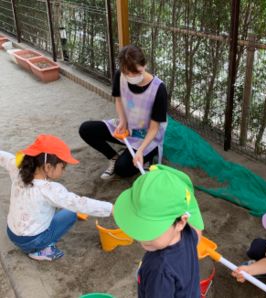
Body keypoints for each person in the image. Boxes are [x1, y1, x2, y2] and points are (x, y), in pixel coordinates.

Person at [0, 134, 113, 261]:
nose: (63, 171)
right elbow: (80, 203)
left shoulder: (17, 169)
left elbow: (4, 157)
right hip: (33, 242)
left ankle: (37, 246)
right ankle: (40, 251)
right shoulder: (50, 189)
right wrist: (111, 208)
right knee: (71, 212)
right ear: (48, 167)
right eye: (62, 167)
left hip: (12, 235)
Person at [113, 164, 204, 297]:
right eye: (140, 227)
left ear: (180, 222)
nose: (142, 237)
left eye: (152, 230)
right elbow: (195, 219)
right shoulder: (190, 234)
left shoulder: (159, 269)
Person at [79, 44, 167, 180]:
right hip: (127, 127)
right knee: (86, 129)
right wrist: (123, 121)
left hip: (147, 137)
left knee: (123, 168)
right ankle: (113, 157)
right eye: (127, 73)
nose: (131, 77)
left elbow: (155, 128)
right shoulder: (119, 75)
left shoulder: (159, 89)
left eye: (137, 72)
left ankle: (144, 158)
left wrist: (141, 151)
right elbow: (118, 100)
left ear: (145, 65)